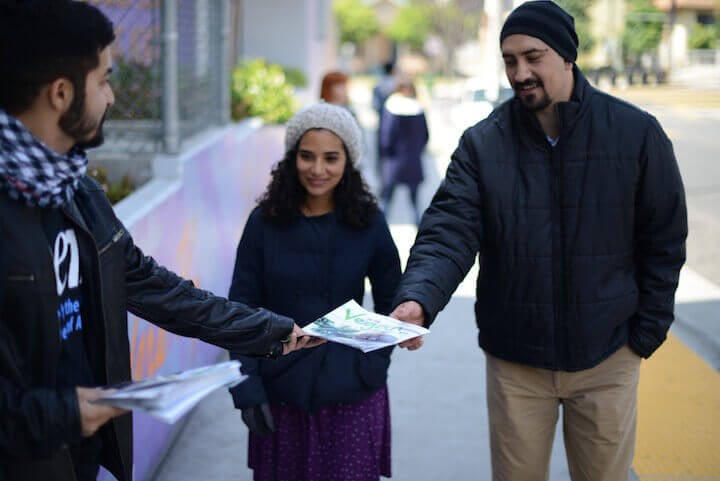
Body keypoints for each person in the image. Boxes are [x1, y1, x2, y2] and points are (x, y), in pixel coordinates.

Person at [0, 3, 319, 481]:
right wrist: (70, 411)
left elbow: (155, 288)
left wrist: (270, 332)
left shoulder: (78, 192)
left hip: (76, 457)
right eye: (105, 79)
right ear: (61, 93)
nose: (111, 97)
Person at [390, 2, 688, 481]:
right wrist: (418, 299)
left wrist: (645, 333)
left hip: (607, 356)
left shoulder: (636, 135)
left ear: (567, 56)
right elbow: (449, 231)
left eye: (533, 56)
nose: (520, 72)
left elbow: (665, 239)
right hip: (516, 361)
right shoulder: (482, 145)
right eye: (509, 60)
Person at [227, 103, 401, 481]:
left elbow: (392, 303)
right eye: (307, 156)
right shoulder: (263, 223)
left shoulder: (368, 222)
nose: (317, 169)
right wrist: (247, 388)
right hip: (280, 393)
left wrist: (371, 366)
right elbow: (240, 309)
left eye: (331, 158)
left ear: (348, 161)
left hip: (352, 396)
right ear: (292, 158)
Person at [378, 77, 429, 225]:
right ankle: (421, 237)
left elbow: (386, 137)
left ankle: (379, 232)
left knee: (386, 202)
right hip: (413, 161)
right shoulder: (418, 108)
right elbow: (425, 136)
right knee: (415, 204)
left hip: (393, 162)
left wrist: (384, 156)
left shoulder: (391, 106)